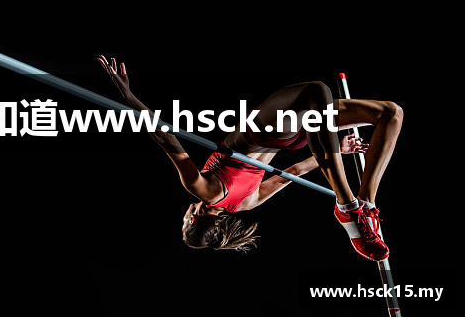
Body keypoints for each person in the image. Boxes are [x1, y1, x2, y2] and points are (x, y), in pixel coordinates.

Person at [97, 55, 403, 261]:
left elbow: (292, 172)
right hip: (265, 130)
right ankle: (347, 205)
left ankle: (366, 203)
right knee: (316, 91)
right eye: (183, 221)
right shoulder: (201, 190)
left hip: (293, 136)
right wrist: (129, 97)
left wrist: (341, 150)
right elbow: (166, 137)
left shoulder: (246, 204)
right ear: (192, 219)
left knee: (390, 113)